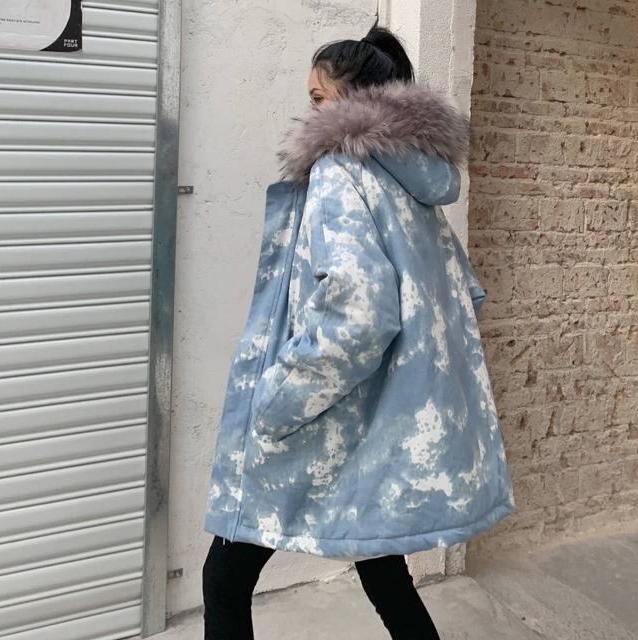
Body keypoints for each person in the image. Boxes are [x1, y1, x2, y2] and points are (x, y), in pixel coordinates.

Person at [202, 20, 516, 640]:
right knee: (382, 568)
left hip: (322, 415)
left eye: (319, 97)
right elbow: (460, 296)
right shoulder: (412, 186)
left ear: (355, 102)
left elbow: (360, 313)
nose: (310, 112)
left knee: (224, 578)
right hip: (375, 418)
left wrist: (277, 399)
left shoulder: (340, 170)